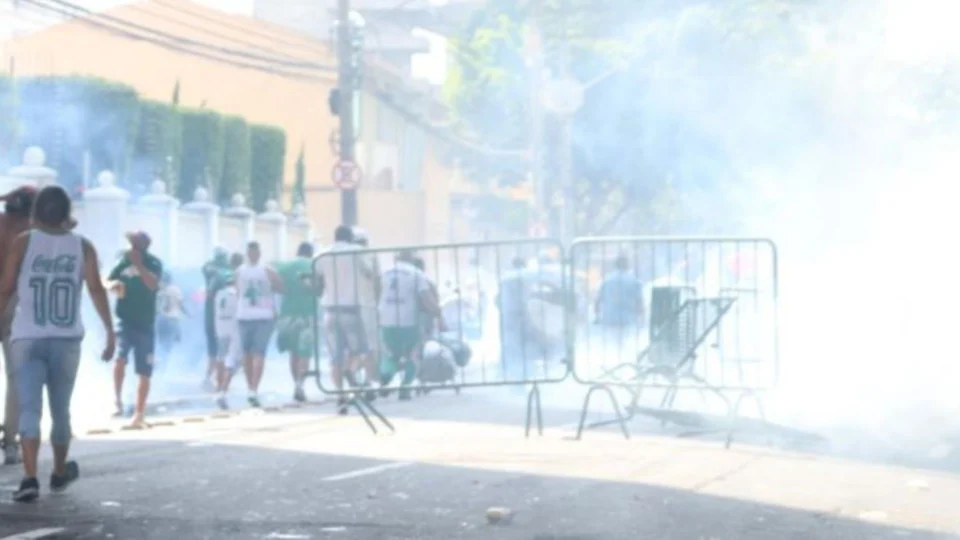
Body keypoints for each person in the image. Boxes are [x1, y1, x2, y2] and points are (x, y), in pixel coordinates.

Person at [0, 185, 114, 502]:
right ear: (68, 214)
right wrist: (110, 330)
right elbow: (96, 290)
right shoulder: (83, 247)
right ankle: (60, 471)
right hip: (65, 341)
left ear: (36, 213)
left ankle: (30, 477)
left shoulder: (23, 243)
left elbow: (6, 288)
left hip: (26, 337)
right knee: (61, 409)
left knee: (29, 408)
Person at [313, 225, 377, 414]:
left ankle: (340, 395)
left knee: (335, 358)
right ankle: (350, 373)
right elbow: (368, 273)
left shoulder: (321, 255)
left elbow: (317, 282)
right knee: (359, 351)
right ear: (350, 238)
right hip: (351, 310)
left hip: (329, 311)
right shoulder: (357, 252)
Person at [107, 231, 163, 427]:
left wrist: (139, 265)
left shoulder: (153, 263)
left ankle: (139, 413)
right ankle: (117, 401)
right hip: (124, 321)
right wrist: (113, 285)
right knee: (120, 358)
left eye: (134, 243)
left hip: (145, 324)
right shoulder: (122, 262)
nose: (130, 247)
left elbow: (153, 285)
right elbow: (107, 280)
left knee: (144, 370)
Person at [0, 186, 36, 466]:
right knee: (15, 375)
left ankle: (10, 438)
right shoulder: (32, 233)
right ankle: (9, 439)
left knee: (15, 375)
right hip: (14, 306)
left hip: (13, 306)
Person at [378, 251, 444, 401]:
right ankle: (405, 388)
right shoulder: (416, 274)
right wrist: (437, 312)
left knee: (391, 355)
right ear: (411, 259)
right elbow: (426, 298)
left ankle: (385, 377)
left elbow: (376, 294)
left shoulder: (385, 273)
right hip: (408, 322)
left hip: (387, 321)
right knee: (413, 355)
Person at [235, 241, 282, 408]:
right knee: (250, 354)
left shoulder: (263, 270)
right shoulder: (245, 271)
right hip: (250, 316)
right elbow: (237, 292)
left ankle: (253, 388)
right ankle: (251, 389)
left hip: (259, 316)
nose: (253, 254)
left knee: (255, 354)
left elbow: (281, 287)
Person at [274, 242, 316, 404]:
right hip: (307, 314)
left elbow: (272, 274)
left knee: (293, 353)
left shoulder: (285, 266)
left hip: (288, 314)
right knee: (305, 353)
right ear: (311, 253)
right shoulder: (314, 265)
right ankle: (300, 384)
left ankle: (296, 384)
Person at [201, 247, 232, 389]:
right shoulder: (229, 272)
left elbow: (209, 293)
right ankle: (217, 378)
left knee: (215, 348)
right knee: (222, 348)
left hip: (215, 315)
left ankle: (214, 377)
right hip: (225, 317)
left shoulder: (214, 272)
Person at [213, 271, 240, 410]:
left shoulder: (219, 294)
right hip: (234, 329)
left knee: (220, 358)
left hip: (220, 328)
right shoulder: (235, 294)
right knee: (233, 361)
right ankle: (223, 390)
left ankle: (219, 387)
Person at [155, 272, 187, 373]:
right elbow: (180, 305)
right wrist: (188, 314)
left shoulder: (158, 289)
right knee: (168, 346)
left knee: (159, 344)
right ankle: (162, 368)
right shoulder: (175, 289)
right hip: (173, 320)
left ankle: (156, 366)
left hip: (160, 320)